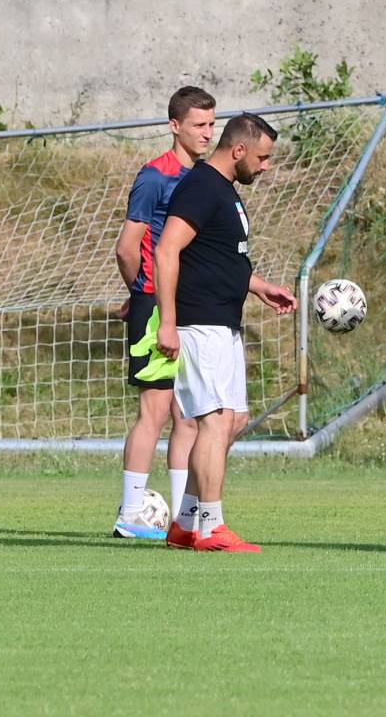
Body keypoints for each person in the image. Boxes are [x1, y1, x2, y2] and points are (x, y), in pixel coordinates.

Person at [154, 112, 296, 553]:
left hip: (223, 322)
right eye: (262, 157)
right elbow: (166, 251)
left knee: (232, 420)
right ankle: (211, 526)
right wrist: (168, 322)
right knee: (213, 422)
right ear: (238, 150)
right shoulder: (201, 187)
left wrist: (259, 287)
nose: (266, 166)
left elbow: (218, 258)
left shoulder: (224, 190)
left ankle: (185, 523)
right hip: (200, 323)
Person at [111, 86, 215, 539]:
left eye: (211, 124)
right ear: (175, 126)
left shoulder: (205, 179)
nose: (207, 133)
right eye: (198, 124)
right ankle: (131, 513)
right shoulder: (155, 177)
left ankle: (180, 519)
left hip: (187, 305)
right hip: (156, 304)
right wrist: (140, 294)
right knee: (153, 410)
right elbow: (126, 247)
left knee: (187, 415)